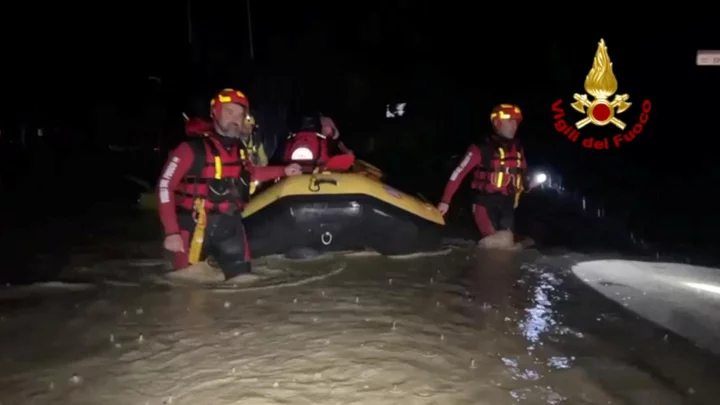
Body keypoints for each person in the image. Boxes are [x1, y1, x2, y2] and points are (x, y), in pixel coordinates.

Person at [158, 88, 302, 282]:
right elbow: (164, 186)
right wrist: (171, 232)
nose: (236, 119)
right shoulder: (189, 149)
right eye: (229, 112)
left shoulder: (240, 150)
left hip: (230, 228)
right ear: (215, 113)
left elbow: (251, 173)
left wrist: (283, 171)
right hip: (193, 229)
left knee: (244, 283)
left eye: (241, 114)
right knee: (185, 287)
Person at [437, 104, 541, 249]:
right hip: (484, 203)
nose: (514, 126)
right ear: (497, 123)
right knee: (497, 245)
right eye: (509, 121)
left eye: (516, 122)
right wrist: (445, 201)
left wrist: (529, 184)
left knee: (507, 243)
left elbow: (522, 175)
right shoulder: (480, 148)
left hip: (507, 204)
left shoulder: (518, 149)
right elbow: (458, 174)